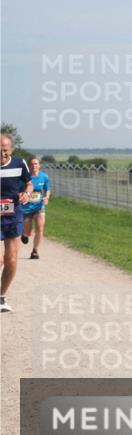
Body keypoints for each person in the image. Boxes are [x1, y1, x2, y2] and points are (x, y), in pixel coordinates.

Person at [0, 133, 33, 313]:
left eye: (5, 150)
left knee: (11, 259)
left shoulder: (19, 164)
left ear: (11, 149)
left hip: (13, 215)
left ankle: (1, 297)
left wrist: (26, 193)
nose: (2, 153)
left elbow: (29, 184)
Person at [21, 156, 51, 259]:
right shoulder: (24, 177)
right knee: (28, 232)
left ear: (39, 165)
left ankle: (35, 251)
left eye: (36, 164)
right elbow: (19, 191)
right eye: (31, 164)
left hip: (39, 207)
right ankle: (24, 234)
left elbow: (47, 189)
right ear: (28, 166)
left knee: (40, 227)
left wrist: (46, 197)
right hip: (26, 209)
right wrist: (24, 195)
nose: (34, 166)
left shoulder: (44, 177)